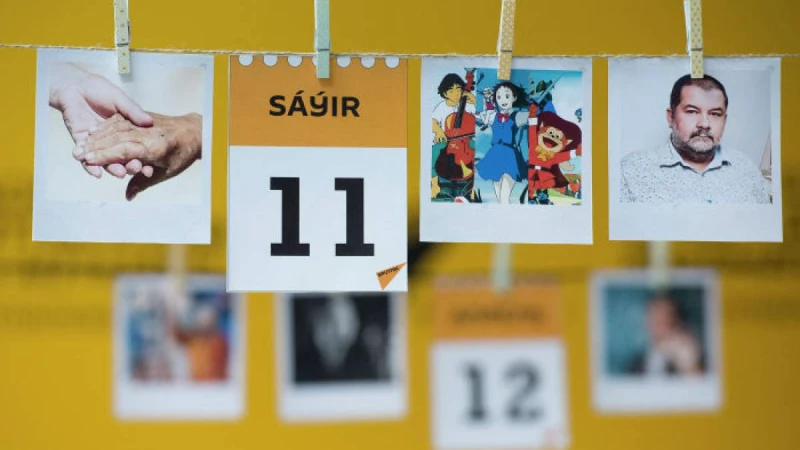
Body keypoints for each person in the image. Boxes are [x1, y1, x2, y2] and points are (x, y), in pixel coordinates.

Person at [620, 74, 770, 204]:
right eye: (692, 112)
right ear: (670, 117)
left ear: (725, 120)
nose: (704, 124)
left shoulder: (747, 169)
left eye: (715, 114)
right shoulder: (630, 171)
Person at [475, 82, 529, 204]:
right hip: (495, 154)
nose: (503, 100)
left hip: (510, 155)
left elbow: (533, 116)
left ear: (514, 98)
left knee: (505, 195)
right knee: (499, 196)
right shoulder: (493, 116)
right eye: (499, 97)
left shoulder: (518, 116)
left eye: (507, 96)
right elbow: (480, 115)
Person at [627, 294, 704, 376]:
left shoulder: (689, 354)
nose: (657, 322)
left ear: (676, 320)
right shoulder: (636, 362)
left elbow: (697, 380)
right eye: (654, 316)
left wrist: (688, 363)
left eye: (664, 316)